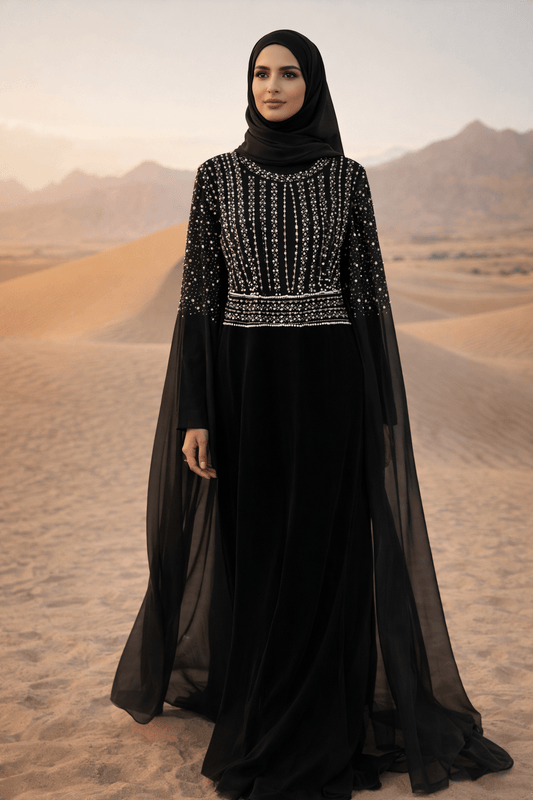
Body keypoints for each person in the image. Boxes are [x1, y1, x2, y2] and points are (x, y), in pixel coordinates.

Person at [111, 29, 513, 798]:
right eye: (260, 73)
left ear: (313, 84)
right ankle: (260, 704)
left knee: (326, 555)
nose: (272, 85)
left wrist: (379, 415)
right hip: (243, 389)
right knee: (255, 550)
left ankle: (322, 712)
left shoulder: (347, 178)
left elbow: (367, 301)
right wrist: (196, 412)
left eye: (289, 73)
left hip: (330, 389)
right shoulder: (215, 178)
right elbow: (198, 306)